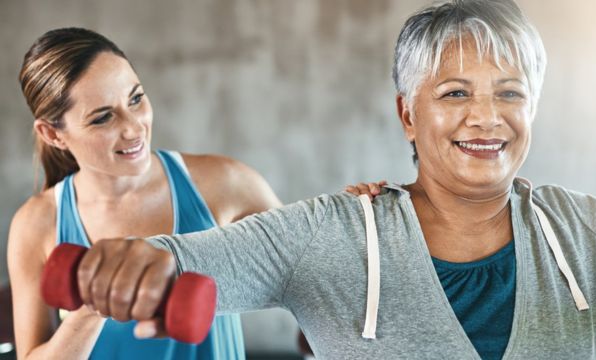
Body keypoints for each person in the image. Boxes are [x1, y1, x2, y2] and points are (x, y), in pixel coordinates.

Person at [29, 0, 596, 359]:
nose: (487, 117)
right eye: (455, 93)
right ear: (408, 113)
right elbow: (186, 257)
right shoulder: (330, 235)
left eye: (510, 93)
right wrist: (137, 266)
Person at [6, 27, 380, 360]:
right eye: (103, 117)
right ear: (53, 134)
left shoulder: (225, 183)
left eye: (136, 99)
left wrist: (362, 227)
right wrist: (93, 306)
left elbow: (311, 279)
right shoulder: (37, 224)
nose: (134, 128)